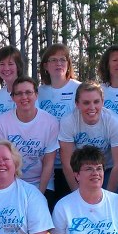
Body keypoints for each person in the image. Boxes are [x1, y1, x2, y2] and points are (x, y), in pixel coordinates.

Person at [0, 76, 59, 196]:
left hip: (43, 183)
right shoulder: (1, 123)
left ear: (36, 95)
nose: (24, 97)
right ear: (13, 97)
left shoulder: (51, 122)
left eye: (28, 92)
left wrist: (39, 195)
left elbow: (49, 163)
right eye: (19, 93)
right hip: (11, 183)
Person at [58, 82, 118, 195]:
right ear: (77, 104)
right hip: (82, 168)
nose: (92, 107)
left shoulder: (114, 122)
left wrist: (108, 197)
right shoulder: (68, 122)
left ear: (102, 102)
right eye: (86, 103)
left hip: (109, 168)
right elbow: (67, 164)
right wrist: (78, 194)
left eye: (96, 102)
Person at [37, 43, 80, 201]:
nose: (58, 63)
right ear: (46, 66)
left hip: (71, 163)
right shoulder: (39, 92)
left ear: (68, 64)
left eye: (62, 59)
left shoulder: (79, 89)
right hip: (46, 164)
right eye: (53, 60)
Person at [0, 46, 23, 119]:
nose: (6, 68)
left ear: (18, 67)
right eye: (2, 64)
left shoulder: (27, 93)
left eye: (10, 64)